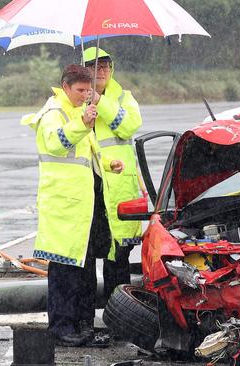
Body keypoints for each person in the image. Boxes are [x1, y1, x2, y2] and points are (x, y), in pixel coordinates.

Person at [21, 64, 124, 347]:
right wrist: (83, 123)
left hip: (82, 207)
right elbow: (57, 143)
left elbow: (86, 155)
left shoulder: (78, 113)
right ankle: (61, 327)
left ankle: (81, 323)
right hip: (63, 207)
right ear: (65, 87)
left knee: (82, 270)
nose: (84, 95)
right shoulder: (53, 113)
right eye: (80, 90)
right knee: (64, 271)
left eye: (88, 90)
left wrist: (108, 164)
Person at [83, 47, 143, 302]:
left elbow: (130, 125)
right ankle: (86, 318)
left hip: (118, 188)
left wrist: (101, 101)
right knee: (85, 256)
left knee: (118, 258)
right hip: (89, 188)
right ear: (85, 69)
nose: (103, 69)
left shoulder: (124, 97)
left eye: (107, 65)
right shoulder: (76, 99)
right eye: (96, 65)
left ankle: (118, 314)